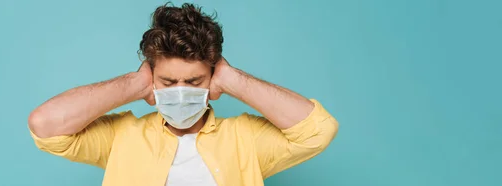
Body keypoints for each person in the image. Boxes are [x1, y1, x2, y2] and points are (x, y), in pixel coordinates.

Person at [28, 3, 339, 186]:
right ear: (151, 78)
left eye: (193, 81)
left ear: (212, 79)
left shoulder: (245, 139)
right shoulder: (121, 137)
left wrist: (232, 79)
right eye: (168, 81)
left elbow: (318, 131)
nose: (179, 92)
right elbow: (45, 124)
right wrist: (133, 85)